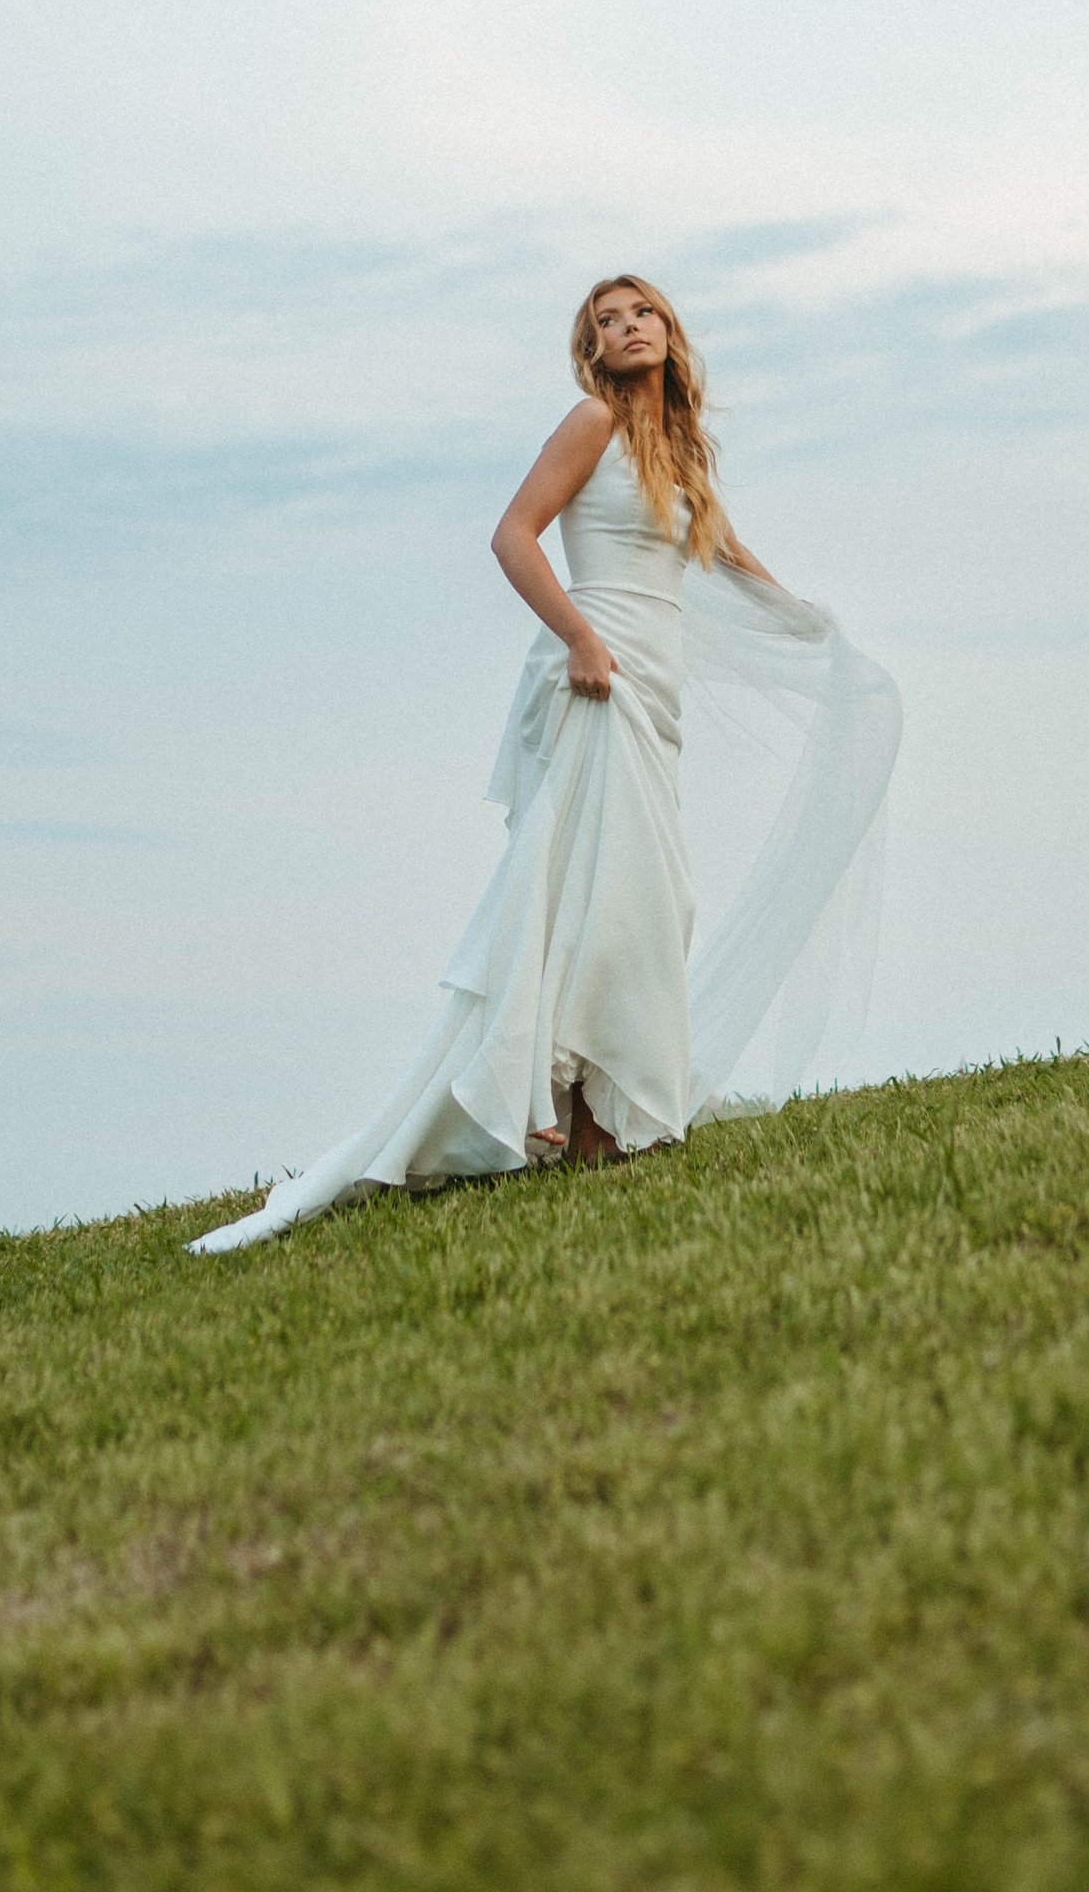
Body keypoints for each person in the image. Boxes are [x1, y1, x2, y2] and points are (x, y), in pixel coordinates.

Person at [187, 274, 900, 1255]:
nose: (628, 327)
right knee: (610, 897)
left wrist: (813, 629)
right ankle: (580, 1118)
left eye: (641, 313)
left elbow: (726, 556)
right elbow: (512, 536)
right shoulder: (591, 424)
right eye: (607, 322)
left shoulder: (679, 450)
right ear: (592, 351)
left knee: (647, 898)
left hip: (654, 688)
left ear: (669, 331)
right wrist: (580, 640)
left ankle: (584, 1111)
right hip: (597, 678)